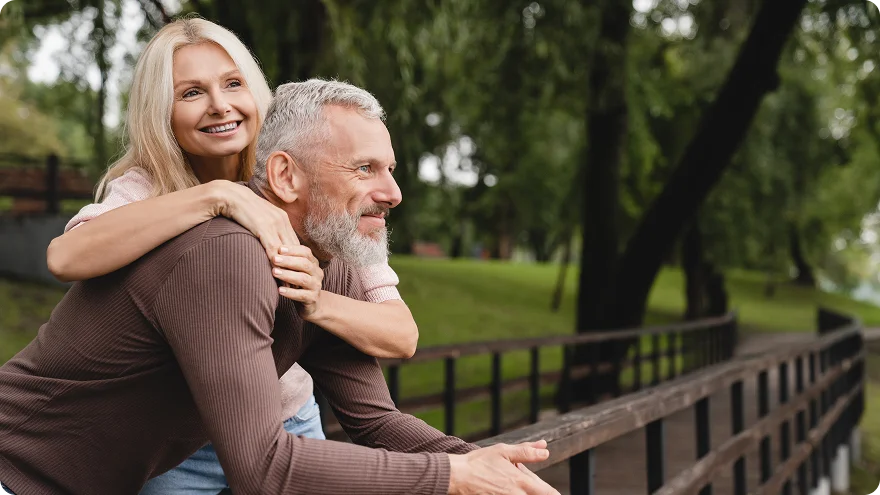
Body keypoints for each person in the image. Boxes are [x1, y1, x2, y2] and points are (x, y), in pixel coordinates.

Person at [0, 77, 560, 495]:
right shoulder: (227, 256)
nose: (392, 193)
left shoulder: (328, 261)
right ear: (286, 176)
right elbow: (262, 469)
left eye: (390, 169)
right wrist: (452, 476)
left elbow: (375, 419)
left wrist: (482, 461)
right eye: (364, 169)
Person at [42, 18, 419, 494]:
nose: (220, 104)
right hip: (179, 443)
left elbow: (401, 335)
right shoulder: (148, 189)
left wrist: (318, 300)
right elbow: (65, 258)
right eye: (191, 92)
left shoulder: (314, 192)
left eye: (233, 83)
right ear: (161, 111)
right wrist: (217, 196)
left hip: (287, 417)